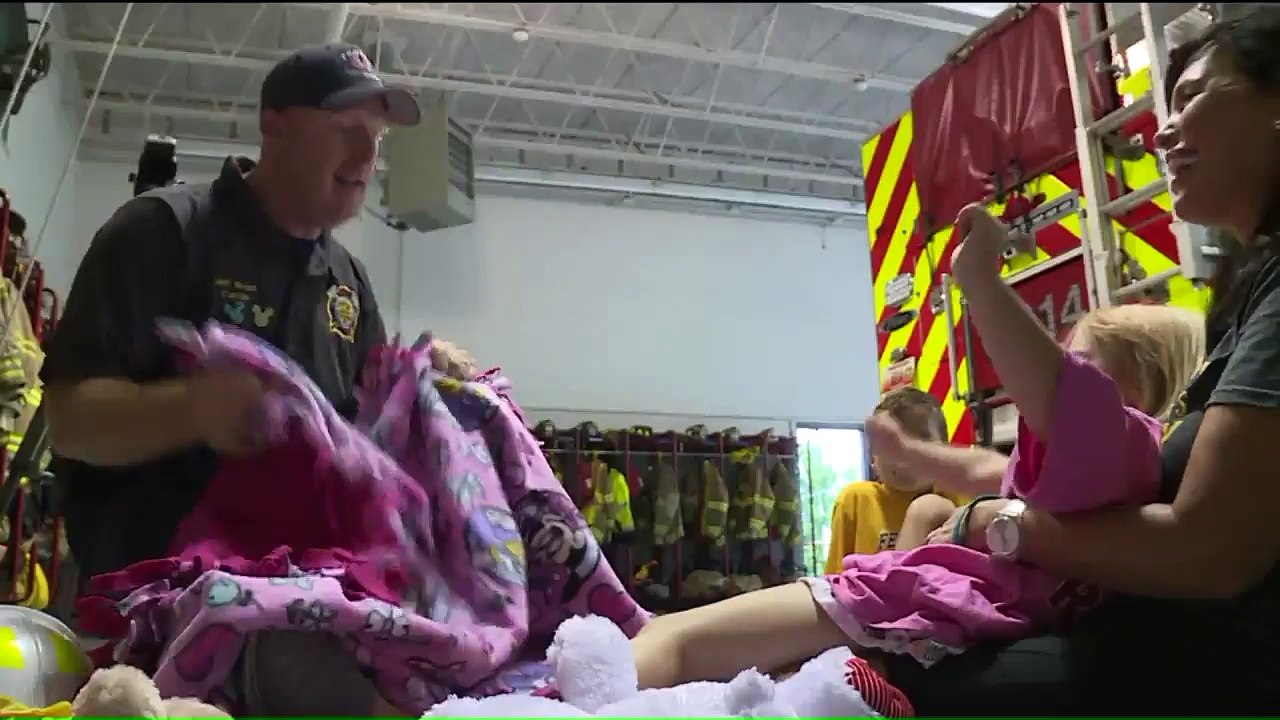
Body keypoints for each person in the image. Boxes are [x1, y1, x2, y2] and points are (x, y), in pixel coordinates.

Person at [631, 7, 1280, 713]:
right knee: (774, 658)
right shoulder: (1237, 312)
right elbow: (997, 466)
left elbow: (1210, 550)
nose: (1164, 129)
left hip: (1195, 668)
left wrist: (996, 523)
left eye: (1193, 96)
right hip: (1138, 641)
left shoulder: (1119, 428)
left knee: (803, 669)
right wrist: (943, 474)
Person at [41, 44, 467, 716]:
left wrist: (419, 379)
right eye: (346, 132)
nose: (366, 159)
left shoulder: (347, 284)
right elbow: (69, 420)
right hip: (149, 638)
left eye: (377, 140)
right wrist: (191, 409)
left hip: (303, 623)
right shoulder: (163, 233)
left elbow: (372, 452)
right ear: (275, 124)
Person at [823, 387, 960, 570]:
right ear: (872, 457)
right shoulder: (856, 501)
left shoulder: (959, 499)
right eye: (891, 444)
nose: (904, 456)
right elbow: (835, 578)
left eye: (920, 441)